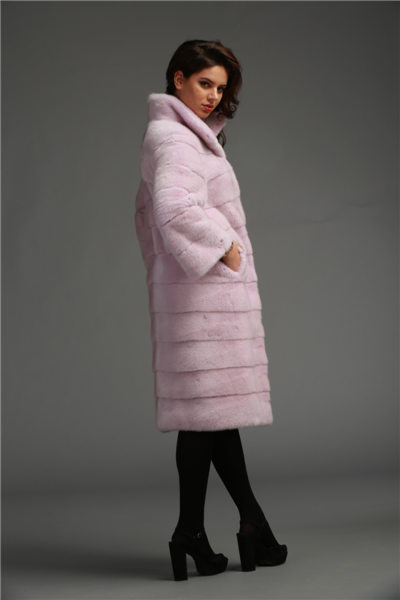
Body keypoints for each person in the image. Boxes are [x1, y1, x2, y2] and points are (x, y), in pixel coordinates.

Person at [134, 39, 287, 580]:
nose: (213, 96)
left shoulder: (183, 135)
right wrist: (226, 247)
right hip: (204, 301)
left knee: (209, 421)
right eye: (204, 83)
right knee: (208, 422)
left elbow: (147, 217)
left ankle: (204, 532)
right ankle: (246, 528)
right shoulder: (175, 137)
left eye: (220, 88)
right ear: (177, 78)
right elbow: (172, 209)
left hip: (196, 299)